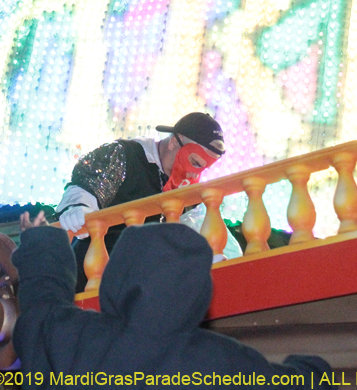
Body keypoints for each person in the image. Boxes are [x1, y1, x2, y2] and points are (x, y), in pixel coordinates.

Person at [13, 217, 336, 390]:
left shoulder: (75, 337)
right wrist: (313, 369)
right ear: (198, 290)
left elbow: (42, 300)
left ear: (120, 276)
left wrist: (42, 240)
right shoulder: (222, 363)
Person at [55, 112, 238, 291]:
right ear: (174, 141)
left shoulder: (188, 187)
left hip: (139, 288)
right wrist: (78, 205)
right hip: (89, 278)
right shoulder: (126, 155)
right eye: (194, 162)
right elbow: (87, 182)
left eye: (202, 169)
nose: (193, 174)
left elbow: (199, 226)